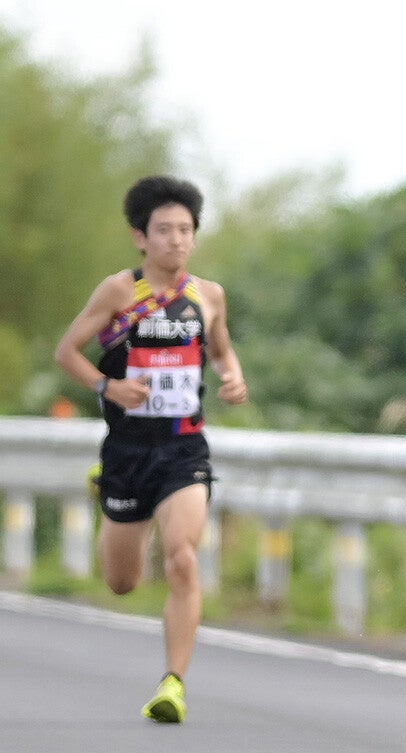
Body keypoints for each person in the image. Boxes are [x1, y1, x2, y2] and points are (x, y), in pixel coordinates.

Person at [54, 176, 247, 724]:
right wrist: (105, 386)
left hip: (184, 448)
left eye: (185, 230)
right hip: (126, 450)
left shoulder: (207, 296)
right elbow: (67, 351)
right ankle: (105, 491)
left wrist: (232, 378)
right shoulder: (119, 291)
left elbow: (224, 353)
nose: (176, 241)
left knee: (183, 557)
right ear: (140, 237)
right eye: (164, 230)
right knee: (121, 582)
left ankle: (173, 683)